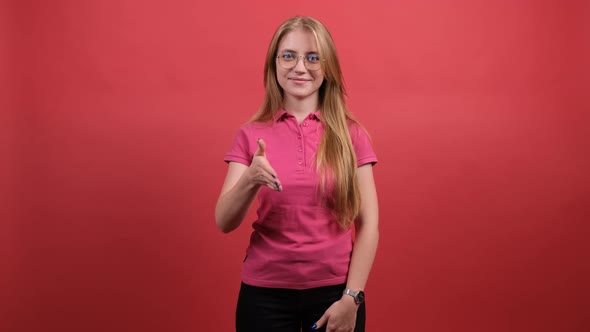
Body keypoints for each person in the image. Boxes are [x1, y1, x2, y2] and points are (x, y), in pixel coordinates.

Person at [215, 16, 379, 332]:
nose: (299, 67)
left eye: (312, 57)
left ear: (327, 66)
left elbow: (369, 223)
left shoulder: (352, 135)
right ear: (274, 64)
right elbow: (224, 221)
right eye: (288, 55)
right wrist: (250, 179)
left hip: (335, 293)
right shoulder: (251, 134)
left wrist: (352, 298)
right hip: (264, 295)